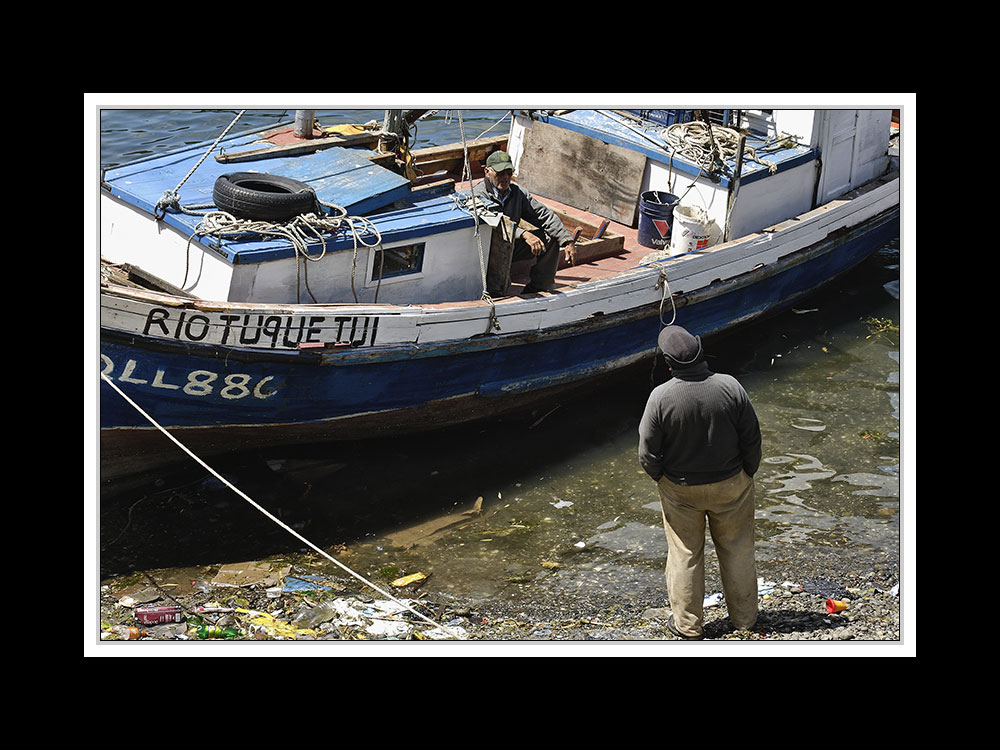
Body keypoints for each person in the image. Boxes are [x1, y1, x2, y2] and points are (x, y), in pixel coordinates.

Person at [637, 325, 762, 640]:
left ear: (668, 363)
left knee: (685, 554)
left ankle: (688, 626)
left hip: (681, 490)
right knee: (738, 549)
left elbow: (647, 453)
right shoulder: (731, 387)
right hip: (732, 484)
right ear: (700, 351)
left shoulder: (660, 397)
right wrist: (747, 472)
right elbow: (752, 440)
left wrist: (663, 479)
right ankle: (745, 620)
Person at [471, 150, 576, 297]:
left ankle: (539, 287)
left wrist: (566, 240)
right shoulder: (478, 194)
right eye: (500, 173)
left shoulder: (517, 192)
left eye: (509, 172)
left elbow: (543, 214)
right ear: (487, 172)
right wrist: (524, 233)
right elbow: (495, 223)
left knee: (550, 239)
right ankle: (496, 294)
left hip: (512, 244)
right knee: (497, 286)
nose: (506, 178)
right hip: (489, 250)